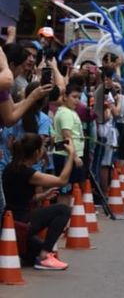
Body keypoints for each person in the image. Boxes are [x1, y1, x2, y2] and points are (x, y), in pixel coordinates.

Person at [3, 134, 75, 270]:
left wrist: (43, 196)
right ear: (36, 152)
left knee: (33, 253)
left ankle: (37, 253)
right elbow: (62, 181)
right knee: (63, 210)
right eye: (42, 148)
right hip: (21, 223)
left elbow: (18, 198)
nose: (43, 152)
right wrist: (71, 155)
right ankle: (45, 254)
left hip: (9, 224)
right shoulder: (28, 173)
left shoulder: (10, 168)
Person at [53, 83, 85, 205]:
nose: (77, 100)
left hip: (69, 155)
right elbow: (67, 137)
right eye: (74, 97)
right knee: (65, 190)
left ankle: (67, 216)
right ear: (65, 97)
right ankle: (63, 218)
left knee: (69, 189)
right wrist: (74, 156)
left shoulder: (70, 111)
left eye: (79, 98)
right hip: (66, 156)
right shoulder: (65, 113)